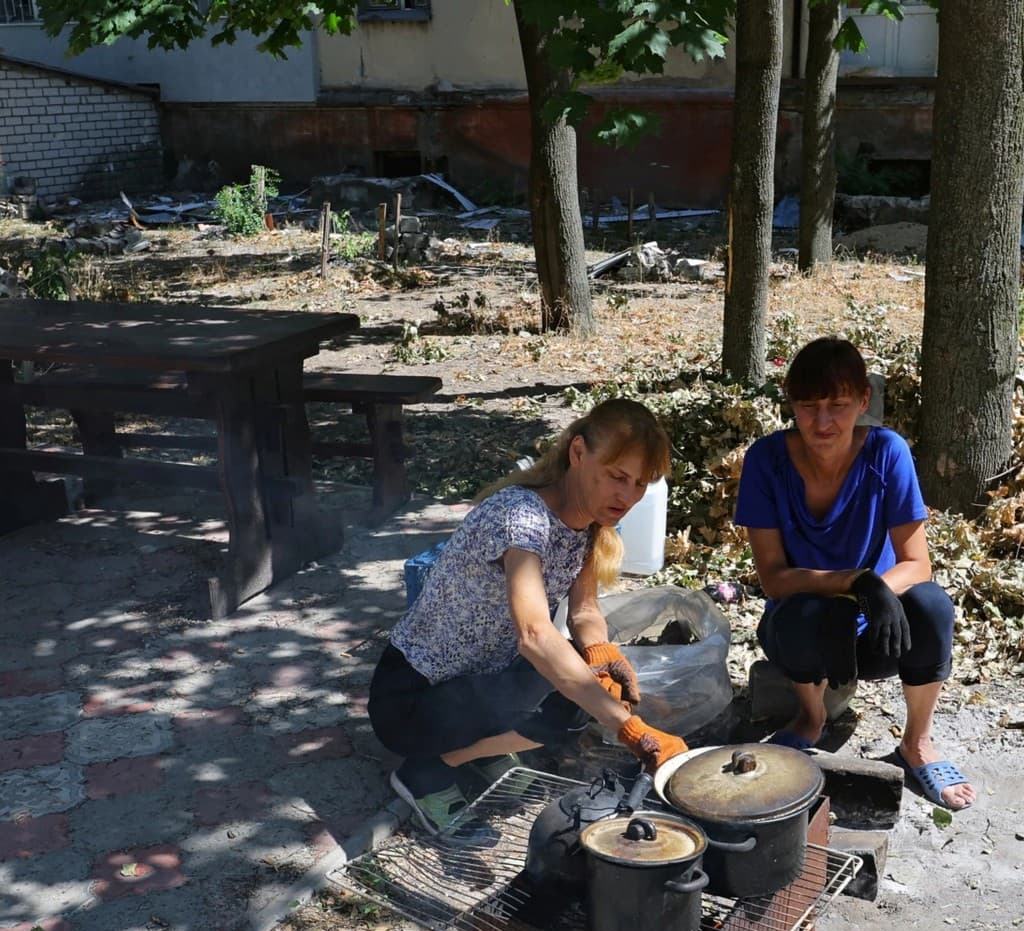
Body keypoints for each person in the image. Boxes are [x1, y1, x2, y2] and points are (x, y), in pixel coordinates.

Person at [369, 399, 690, 830]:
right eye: (617, 477)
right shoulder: (520, 517)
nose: (627, 496)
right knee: (566, 692)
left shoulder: (588, 524)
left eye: (639, 484)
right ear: (578, 453)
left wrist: (600, 651)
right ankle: (424, 770)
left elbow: (586, 610)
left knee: (585, 695)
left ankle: (473, 752)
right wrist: (632, 730)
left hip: (479, 682)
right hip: (411, 698)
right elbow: (536, 635)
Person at [734, 337, 974, 810]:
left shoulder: (887, 451)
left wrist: (875, 591)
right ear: (791, 402)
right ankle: (811, 718)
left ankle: (917, 741)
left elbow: (917, 562)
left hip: (879, 633)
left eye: (839, 406)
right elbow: (775, 579)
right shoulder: (766, 460)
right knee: (803, 615)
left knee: (932, 605)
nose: (823, 422)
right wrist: (852, 583)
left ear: (864, 401)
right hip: (804, 624)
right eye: (808, 406)